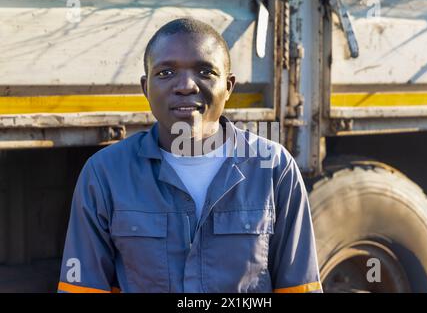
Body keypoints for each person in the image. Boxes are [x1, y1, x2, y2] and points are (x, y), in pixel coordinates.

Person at [58, 18, 322, 293]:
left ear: (229, 86)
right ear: (145, 87)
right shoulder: (105, 174)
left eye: (205, 72)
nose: (186, 86)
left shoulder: (274, 168)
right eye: (166, 73)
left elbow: (299, 287)